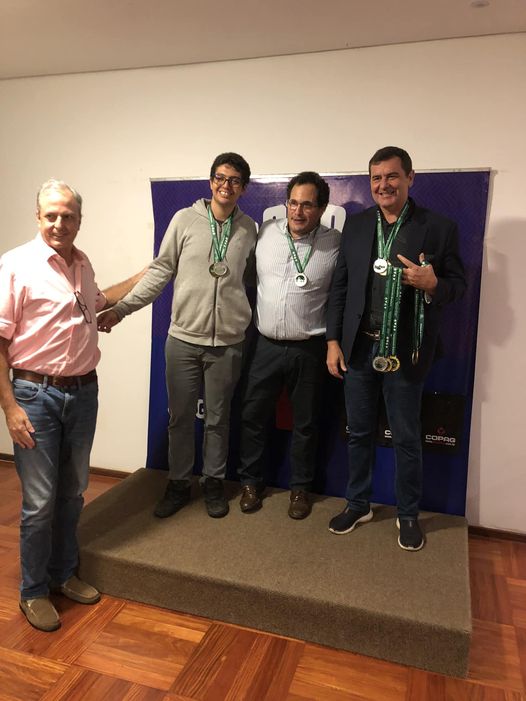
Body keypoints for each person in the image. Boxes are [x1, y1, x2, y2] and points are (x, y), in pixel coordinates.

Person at [0, 179, 143, 632]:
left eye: (68, 216)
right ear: (38, 216)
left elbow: (99, 303)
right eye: (51, 215)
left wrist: (150, 273)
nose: (59, 223)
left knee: (73, 492)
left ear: (80, 220)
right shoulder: (16, 265)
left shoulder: (82, 264)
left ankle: (63, 574)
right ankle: (33, 591)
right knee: (40, 502)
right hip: (34, 397)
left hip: (83, 394)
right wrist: (9, 408)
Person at [97, 152, 257, 520]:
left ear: (243, 188)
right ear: (211, 181)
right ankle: (179, 483)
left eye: (234, 180)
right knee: (181, 417)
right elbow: (160, 271)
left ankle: (213, 483)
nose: (226, 185)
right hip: (183, 340)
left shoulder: (249, 229)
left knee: (218, 420)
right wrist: (122, 308)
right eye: (220, 177)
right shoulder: (184, 220)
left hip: (228, 343)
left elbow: (253, 282)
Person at [326, 146, 466, 550]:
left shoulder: (438, 228)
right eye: (376, 178)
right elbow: (340, 287)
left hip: (406, 352)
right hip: (358, 349)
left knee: (405, 437)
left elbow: (458, 285)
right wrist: (333, 340)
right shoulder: (356, 226)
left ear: (410, 178)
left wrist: (434, 284)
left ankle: (407, 515)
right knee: (358, 432)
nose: (383, 185)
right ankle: (358, 504)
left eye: (391, 176)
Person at [238, 172, 340, 519]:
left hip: (308, 347)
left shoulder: (335, 244)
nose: (298, 211)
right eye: (293, 203)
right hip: (264, 345)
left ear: (322, 208)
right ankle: (251, 482)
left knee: (306, 423)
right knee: (253, 416)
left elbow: (342, 296)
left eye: (307, 205)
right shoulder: (265, 233)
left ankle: (300, 489)